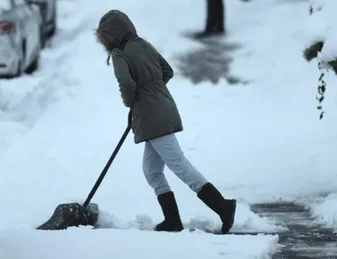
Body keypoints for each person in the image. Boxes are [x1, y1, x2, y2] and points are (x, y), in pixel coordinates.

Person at [95, 10, 236, 233]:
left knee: (179, 164)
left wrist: (132, 101)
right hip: (163, 108)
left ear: (109, 35)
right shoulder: (143, 44)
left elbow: (125, 82)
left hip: (152, 116)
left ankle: (223, 206)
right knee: (152, 170)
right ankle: (172, 220)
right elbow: (167, 71)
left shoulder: (119, 53)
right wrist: (154, 91)